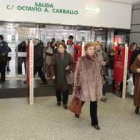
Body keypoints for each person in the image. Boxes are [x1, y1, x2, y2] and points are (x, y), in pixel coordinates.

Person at [74, 42, 103, 130]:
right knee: (82, 100)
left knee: (94, 103)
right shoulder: (81, 60)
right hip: (85, 85)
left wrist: (101, 79)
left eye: (93, 49)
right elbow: (77, 73)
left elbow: (100, 71)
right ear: (86, 50)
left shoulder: (97, 60)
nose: (92, 51)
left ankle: (94, 122)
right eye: (90, 49)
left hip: (95, 86)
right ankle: (77, 111)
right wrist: (77, 85)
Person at [50, 42, 74, 109]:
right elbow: (51, 66)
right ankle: (59, 100)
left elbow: (73, 63)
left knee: (65, 90)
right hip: (57, 75)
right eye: (59, 48)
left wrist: (69, 67)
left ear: (64, 48)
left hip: (65, 76)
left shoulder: (69, 56)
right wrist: (52, 74)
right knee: (58, 90)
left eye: (61, 48)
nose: (60, 49)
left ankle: (65, 103)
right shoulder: (55, 56)